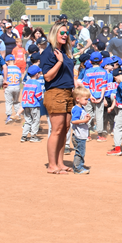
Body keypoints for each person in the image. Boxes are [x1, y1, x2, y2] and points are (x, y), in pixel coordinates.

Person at [41, 21, 76, 174]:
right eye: (61, 32)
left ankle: (60, 163)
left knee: (65, 129)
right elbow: (47, 77)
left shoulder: (65, 52)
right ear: (54, 34)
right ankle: (52, 165)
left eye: (66, 32)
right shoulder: (49, 53)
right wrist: (60, 62)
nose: (64, 35)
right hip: (55, 92)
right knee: (57, 129)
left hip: (68, 92)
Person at [70, 87, 93, 175]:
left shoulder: (81, 108)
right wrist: (84, 121)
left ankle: (78, 166)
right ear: (77, 99)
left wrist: (87, 118)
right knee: (80, 152)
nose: (87, 101)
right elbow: (74, 121)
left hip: (81, 134)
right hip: (78, 135)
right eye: (85, 99)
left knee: (81, 151)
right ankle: (78, 168)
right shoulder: (77, 109)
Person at [20, 65, 45, 143]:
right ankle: (33, 136)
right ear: (37, 74)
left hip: (26, 104)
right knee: (35, 120)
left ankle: (24, 136)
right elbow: (38, 96)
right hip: (34, 105)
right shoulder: (37, 83)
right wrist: (42, 97)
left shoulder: (27, 83)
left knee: (28, 120)